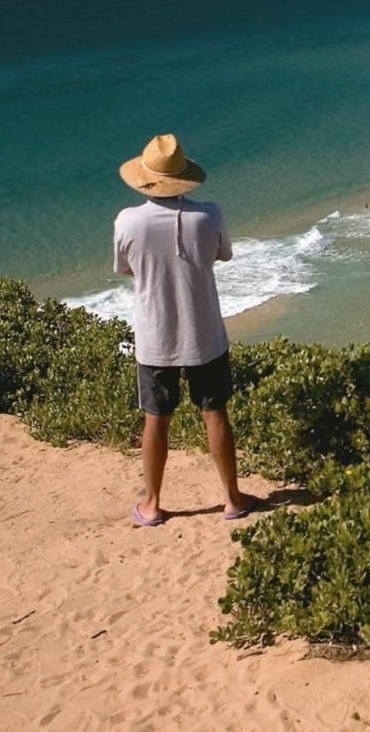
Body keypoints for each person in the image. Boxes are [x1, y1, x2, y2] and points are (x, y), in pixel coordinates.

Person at [114, 134, 253, 526]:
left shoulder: (127, 221)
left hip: (155, 335)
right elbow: (222, 255)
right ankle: (231, 499)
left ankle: (153, 503)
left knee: (156, 419)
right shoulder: (210, 215)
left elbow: (127, 269)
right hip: (205, 331)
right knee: (215, 413)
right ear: (184, 177)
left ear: (145, 178)